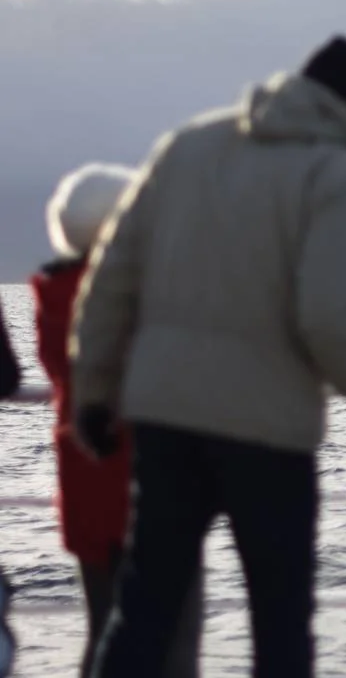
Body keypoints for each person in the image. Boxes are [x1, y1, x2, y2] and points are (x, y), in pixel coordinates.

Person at [69, 35, 346, 678]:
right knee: (279, 624)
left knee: (145, 609)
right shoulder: (334, 177)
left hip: (166, 420)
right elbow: (329, 318)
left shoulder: (188, 146)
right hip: (267, 432)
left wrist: (92, 391)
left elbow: (112, 279)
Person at [33, 163, 205, 677]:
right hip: (154, 484)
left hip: (85, 483)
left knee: (104, 630)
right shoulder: (144, 298)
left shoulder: (53, 298)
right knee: (175, 638)